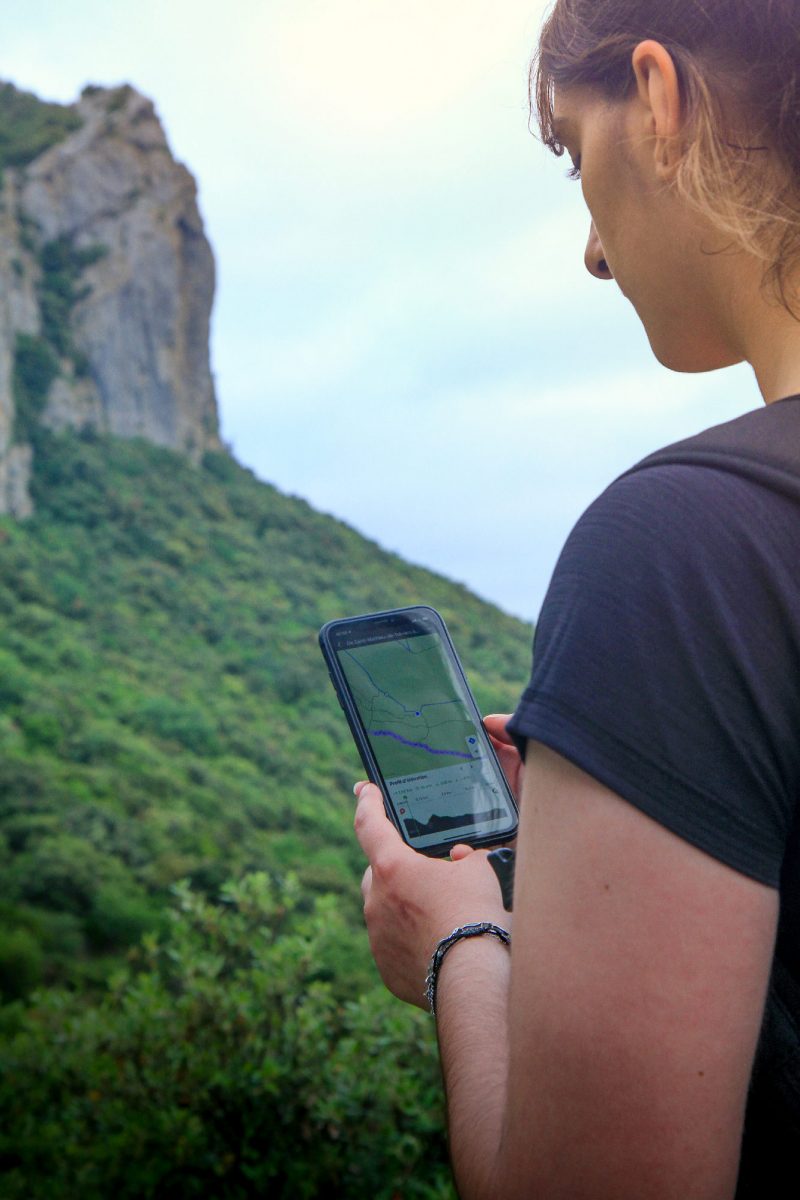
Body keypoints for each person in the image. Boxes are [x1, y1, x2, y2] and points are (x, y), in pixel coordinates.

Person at [353, 2, 800, 1197]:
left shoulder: (690, 548)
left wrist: (459, 943)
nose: (592, 251)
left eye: (570, 149)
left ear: (659, 101)